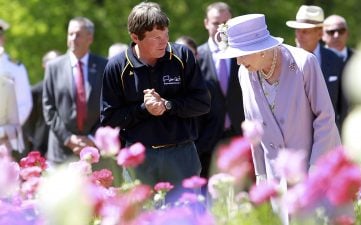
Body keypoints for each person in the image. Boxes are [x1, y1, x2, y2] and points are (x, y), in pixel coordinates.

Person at [216, 14, 345, 222]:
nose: (238, 61)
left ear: (260, 49)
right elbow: (253, 128)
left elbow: (325, 118)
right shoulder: (244, 73)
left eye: (241, 54)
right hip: (275, 177)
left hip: (312, 170)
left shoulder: (304, 63)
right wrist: (260, 176)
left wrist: (314, 170)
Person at [100, 2, 210, 196]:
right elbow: (109, 119)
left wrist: (168, 105)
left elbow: (202, 103)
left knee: (188, 215)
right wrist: (143, 109)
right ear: (135, 38)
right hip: (139, 157)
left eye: (166, 34)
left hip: (182, 154)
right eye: (156, 37)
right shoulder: (116, 67)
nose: (164, 42)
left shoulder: (182, 56)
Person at [43, 17, 107, 165]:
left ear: (89, 38)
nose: (73, 38)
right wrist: (68, 139)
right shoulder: (53, 67)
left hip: (95, 151)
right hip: (61, 151)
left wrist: (91, 138)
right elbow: (48, 108)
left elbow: (109, 106)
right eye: (70, 34)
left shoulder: (104, 66)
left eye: (78, 34)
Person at [196, 2, 244, 179]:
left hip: (239, 135)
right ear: (206, 23)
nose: (221, 28)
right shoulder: (197, 58)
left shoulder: (243, 54)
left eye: (226, 23)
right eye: (216, 23)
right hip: (208, 138)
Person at [286, 5, 347, 131]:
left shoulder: (336, 61)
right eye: (297, 30)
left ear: (320, 33)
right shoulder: (285, 61)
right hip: (294, 139)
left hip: (329, 137)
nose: (299, 35)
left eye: (305, 31)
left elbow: (343, 106)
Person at [0, 18, 33, 154]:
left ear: (2, 39)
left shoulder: (15, 68)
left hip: (6, 138)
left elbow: (24, 103)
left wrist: (3, 131)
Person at [23, 50, 61, 155]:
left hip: (65, 147)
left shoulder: (71, 89)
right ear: (44, 65)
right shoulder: (35, 92)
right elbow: (28, 122)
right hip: (40, 148)